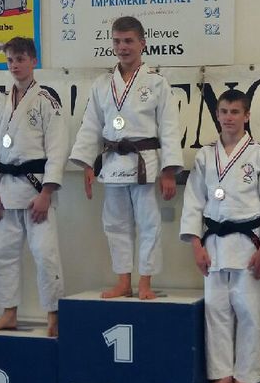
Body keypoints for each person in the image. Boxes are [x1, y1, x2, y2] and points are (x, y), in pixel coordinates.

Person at [69, 16, 182, 300]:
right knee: (115, 224)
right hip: (112, 163)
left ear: (142, 43)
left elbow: (169, 127)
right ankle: (123, 281)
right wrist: (87, 164)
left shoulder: (156, 83)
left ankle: (145, 282)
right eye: (117, 41)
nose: (123, 47)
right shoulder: (102, 84)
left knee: (149, 224)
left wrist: (169, 171)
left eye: (129, 41)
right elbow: (91, 125)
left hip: (145, 163)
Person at [180, 89, 260, 383]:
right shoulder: (205, 155)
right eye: (224, 111)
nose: (229, 117)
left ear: (246, 116)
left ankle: (246, 374)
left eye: (235, 112)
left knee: (249, 311)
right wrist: (196, 245)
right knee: (216, 310)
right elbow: (193, 201)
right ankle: (221, 373)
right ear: (217, 114)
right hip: (213, 244)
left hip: (249, 243)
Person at [0, 37, 67, 336]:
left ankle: (54, 315)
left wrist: (47, 193)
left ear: (33, 61)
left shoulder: (47, 100)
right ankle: (8, 313)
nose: (15, 65)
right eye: (10, 60)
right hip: (4, 191)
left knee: (46, 254)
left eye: (21, 59)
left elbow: (58, 149)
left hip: (36, 191)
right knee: (1, 253)